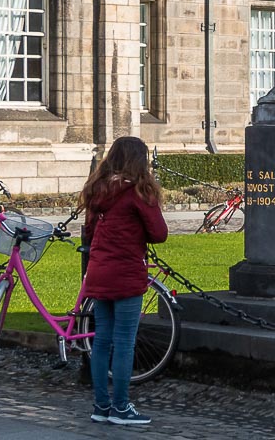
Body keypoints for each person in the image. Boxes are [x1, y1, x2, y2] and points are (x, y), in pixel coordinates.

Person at [79, 136, 168, 426]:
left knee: (101, 340)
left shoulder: (97, 190)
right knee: (125, 342)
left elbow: (89, 232)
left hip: (100, 271)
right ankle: (120, 406)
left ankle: (100, 405)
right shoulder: (138, 193)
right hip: (127, 272)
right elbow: (159, 233)